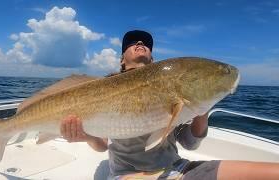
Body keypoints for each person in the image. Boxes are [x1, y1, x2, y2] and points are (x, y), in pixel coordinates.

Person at [60, 30, 279, 179]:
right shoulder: (102, 88)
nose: (140, 43)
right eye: (132, 42)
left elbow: (190, 144)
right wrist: (86, 136)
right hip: (127, 174)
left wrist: (201, 109)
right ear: (121, 59)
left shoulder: (170, 85)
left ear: (153, 60)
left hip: (177, 168)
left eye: (145, 43)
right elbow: (102, 146)